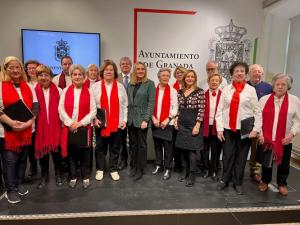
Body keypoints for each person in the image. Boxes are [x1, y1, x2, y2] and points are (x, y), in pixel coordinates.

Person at [216, 62, 262, 195]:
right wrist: (219, 129)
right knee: (227, 156)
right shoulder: (226, 89)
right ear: (232, 74)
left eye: (242, 71)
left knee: (241, 157)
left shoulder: (251, 90)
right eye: (237, 71)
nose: (239, 73)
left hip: (245, 129)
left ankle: (238, 182)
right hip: (228, 128)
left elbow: (257, 111)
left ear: (246, 73)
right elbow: (219, 110)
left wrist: (255, 129)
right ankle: (225, 180)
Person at [0, 56, 38, 204]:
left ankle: (18, 184)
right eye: (11, 67)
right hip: (7, 132)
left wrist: (28, 123)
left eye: (18, 67)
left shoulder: (27, 86)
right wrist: (11, 122)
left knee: (22, 160)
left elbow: (35, 106)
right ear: (5, 69)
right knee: (10, 161)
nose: (15, 70)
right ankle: (11, 190)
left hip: (27, 131)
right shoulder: (1, 86)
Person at [258, 74, 300, 196]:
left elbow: (297, 120)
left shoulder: (294, 100)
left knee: (284, 163)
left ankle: (282, 183)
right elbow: (258, 119)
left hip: (285, 139)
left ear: (288, 86)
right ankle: (265, 181)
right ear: (273, 85)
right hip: (267, 139)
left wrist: (292, 134)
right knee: (267, 162)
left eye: (283, 84)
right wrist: (260, 134)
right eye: (278, 84)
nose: (280, 87)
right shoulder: (264, 99)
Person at [59, 64, 96, 189]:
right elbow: (61, 109)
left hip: (84, 128)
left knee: (85, 154)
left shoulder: (89, 92)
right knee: (72, 155)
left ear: (84, 76)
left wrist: (79, 123)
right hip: (69, 127)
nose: (77, 76)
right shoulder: (65, 91)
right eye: (74, 74)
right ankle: (73, 177)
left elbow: (93, 111)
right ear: (71, 76)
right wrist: (70, 123)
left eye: (80, 74)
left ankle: (85, 177)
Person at [91, 60, 128, 181]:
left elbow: (124, 105)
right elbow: (91, 106)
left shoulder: (120, 86)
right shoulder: (95, 87)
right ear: (102, 72)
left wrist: (124, 119)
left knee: (115, 147)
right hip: (100, 123)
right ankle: (100, 169)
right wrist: (94, 119)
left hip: (116, 123)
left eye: (111, 70)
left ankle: (113, 169)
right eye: (106, 70)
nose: (108, 72)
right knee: (100, 148)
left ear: (114, 72)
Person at [174, 70, 205, 187]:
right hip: (182, 122)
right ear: (184, 78)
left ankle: (192, 174)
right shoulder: (180, 91)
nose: (190, 79)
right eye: (188, 77)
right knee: (182, 148)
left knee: (192, 150)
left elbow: (202, 110)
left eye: (192, 77)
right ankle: (184, 171)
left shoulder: (199, 92)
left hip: (193, 123)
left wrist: (197, 125)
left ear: (195, 79)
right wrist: (176, 120)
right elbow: (179, 108)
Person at [34, 65, 63, 189]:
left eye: (46, 75)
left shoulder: (59, 90)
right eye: (40, 75)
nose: (43, 77)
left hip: (56, 127)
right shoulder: (33, 91)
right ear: (37, 77)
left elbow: (62, 109)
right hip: (41, 128)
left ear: (51, 77)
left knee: (57, 154)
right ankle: (44, 175)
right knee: (43, 154)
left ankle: (58, 174)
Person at [127, 62, 155, 180]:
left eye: (142, 69)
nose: (140, 71)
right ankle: (133, 165)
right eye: (138, 69)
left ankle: (140, 168)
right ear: (134, 70)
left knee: (142, 145)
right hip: (131, 119)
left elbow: (151, 102)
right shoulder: (130, 84)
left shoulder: (150, 84)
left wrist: (146, 119)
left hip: (142, 120)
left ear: (145, 70)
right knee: (133, 144)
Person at [247, 64, 272, 183]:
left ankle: (255, 171)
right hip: (245, 121)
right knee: (242, 147)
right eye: (254, 71)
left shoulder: (268, 87)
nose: (257, 74)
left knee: (257, 148)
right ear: (249, 73)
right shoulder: (244, 86)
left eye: (259, 72)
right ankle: (237, 169)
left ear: (262, 74)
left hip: (261, 122)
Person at [151, 68, 178, 180]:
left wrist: (167, 119)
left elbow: (175, 107)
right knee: (157, 146)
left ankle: (167, 168)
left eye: (168, 75)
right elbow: (150, 106)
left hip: (168, 123)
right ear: (159, 77)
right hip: (155, 122)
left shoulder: (173, 91)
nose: (166, 77)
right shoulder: (153, 90)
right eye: (163, 75)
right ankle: (158, 165)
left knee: (168, 147)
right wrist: (153, 118)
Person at [201, 73, 223, 181]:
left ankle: (213, 170)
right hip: (205, 126)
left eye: (216, 80)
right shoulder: (203, 94)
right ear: (208, 81)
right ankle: (205, 169)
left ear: (219, 82)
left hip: (217, 127)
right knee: (204, 149)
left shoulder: (223, 95)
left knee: (216, 150)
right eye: (212, 80)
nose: (214, 82)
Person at [24, 60, 40, 179]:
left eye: (34, 68)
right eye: (29, 68)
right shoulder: (24, 83)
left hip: (42, 117)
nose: (31, 70)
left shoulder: (43, 80)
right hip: (29, 118)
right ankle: (33, 166)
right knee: (31, 144)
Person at [117, 57, 132, 170]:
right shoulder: (115, 77)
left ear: (131, 66)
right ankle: (123, 160)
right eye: (123, 64)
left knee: (133, 139)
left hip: (133, 113)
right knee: (121, 139)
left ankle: (133, 160)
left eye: (127, 64)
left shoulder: (136, 77)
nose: (125, 65)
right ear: (120, 66)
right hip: (120, 113)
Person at [172, 66, 187, 172]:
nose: (179, 74)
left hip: (186, 118)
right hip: (175, 118)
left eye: (181, 72)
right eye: (177, 73)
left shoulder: (189, 86)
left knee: (185, 142)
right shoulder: (173, 86)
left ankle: (185, 164)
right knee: (176, 143)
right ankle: (177, 165)